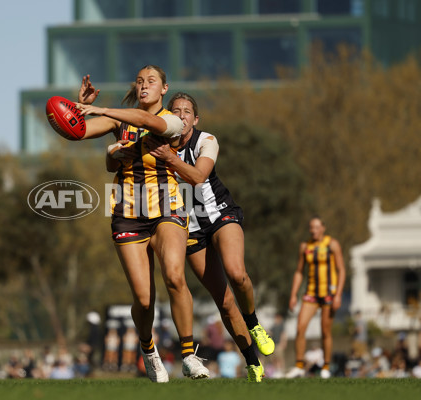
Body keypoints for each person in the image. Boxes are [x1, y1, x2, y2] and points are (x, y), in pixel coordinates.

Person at [74, 67, 209, 382]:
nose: (144, 84)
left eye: (151, 81)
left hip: (168, 206)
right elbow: (76, 133)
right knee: (144, 299)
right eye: (139, 80)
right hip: (128, 211)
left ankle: (188, 355)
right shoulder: (117, 121)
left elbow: (148, 122)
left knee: (175, 276)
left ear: (164, 88)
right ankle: (149, 351)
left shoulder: (171, 119)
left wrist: (102, 107)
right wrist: (76, 111)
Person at [145, 92, 273, 382]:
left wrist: (169, 158)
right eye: (175, 110)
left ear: (195, 118)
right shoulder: (156, 145)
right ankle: (252, 360)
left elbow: (198, 176)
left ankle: (253, 322)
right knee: (224, 300)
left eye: (187, 111)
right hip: (188, 228)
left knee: (236, 273)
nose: (181, 115)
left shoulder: (206, 140)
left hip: (220, 215)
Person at [286, 216, 345, 379]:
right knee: (300, 327)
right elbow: (299, 271)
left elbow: (341, 270)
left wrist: (338, 295)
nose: (313, 230)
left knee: (325, 331)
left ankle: (326, 367)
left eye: (317, 227)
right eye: (311, 227)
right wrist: (293, 295)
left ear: (323, 228)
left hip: (328, 294)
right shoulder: (305, 246)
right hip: (311, 293)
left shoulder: (332, 244)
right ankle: (299, 366)